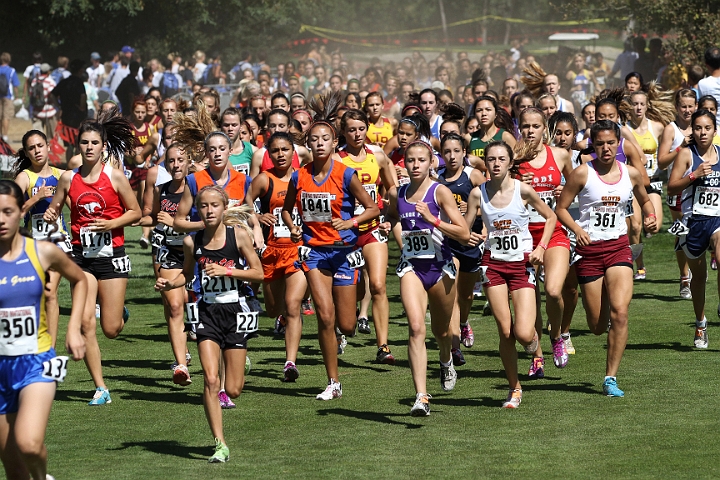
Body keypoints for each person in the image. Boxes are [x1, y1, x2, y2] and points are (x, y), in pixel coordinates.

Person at [282, 93, 379, 400]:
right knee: (324, 316)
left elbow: (372, 208)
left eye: (325, 138)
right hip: (315, 251)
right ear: (308, 144)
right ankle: (333, 382)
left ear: (334, 142)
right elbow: (286, 209)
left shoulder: (346, 174)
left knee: (347, 325)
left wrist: (350, 223)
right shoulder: (299, 176)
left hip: (345, 251)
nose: (320, 143)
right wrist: (294, 225)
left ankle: (344, 322)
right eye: (314, 139)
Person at [156, 186, 263, 463]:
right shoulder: (192, 242)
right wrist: (170, 283)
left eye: (214, 205)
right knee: (211, 379)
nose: (209, 210)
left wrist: (228, 270)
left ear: (224, 207)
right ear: (198, 210)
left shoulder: (237, 235)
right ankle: (220, 443)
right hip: (206, 314)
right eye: (203, 206)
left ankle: (240, 360)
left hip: (235, 312)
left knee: (234, 388)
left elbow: (258, 273)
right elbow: (187, 275)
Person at [43, 108, 141, 405]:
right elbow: (56, 209)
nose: (88, 148)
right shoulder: (68, 178)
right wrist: (51, 213)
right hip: (81, 258)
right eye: (84, 143)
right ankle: (101, 388)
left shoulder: (116, 177)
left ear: (103, 146)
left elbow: (136, 213)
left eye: (94, 143)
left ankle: (118, 311)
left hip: (111, 255)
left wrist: (112, 224)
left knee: (110, 329)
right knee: (86, 322)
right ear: (79, 146)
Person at [556, 120, 658, 397]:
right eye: (599, 143)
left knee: (621, 313)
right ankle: (595, 324)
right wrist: (577, 229)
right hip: (589, 253)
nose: (605, 148)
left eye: (611, 142)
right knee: (597, 326)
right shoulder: (581, 174)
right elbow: (561, 207)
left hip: (618, 249)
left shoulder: (631, 174)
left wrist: (650, 216)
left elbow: (645, 199)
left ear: (618, 143)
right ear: (593, 144)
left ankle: (610, 378)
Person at [0, 180, 87, 480]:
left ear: (19, 212)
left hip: (38, 360)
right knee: (12, 467)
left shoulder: (42, 252)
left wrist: (74, 328)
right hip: (1, 365)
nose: (1, 219)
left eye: (7, 211)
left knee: (29, 444)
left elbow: (81, 280)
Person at [464, 141, 556, 408]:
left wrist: (541, 247)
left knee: (524, 333)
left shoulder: (523, 190)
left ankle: (535, 348)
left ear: (510, 162)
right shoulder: (477, 193)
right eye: (490, 159)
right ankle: (514, 388)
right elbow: (466, 227)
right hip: (492, 265)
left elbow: (550, 217)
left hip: (521, 265)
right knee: (505, 332)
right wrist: (465, 234)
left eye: (501, 159)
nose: (495, 164)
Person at [380, 140, 469, 416]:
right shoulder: (398, 193)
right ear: (403, 164)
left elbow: (463, 233)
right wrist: (388, 224)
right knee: (416, 327)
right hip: (412, 268)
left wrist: (433, 220)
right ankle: (421, 396)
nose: (415, 165)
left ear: (432, 163)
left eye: (421, 160)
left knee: (442, 332)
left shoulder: (439, 191)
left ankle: (445, 361)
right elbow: (394, 216)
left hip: (441, 267)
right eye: (410, 160)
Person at [515, 107, 574, 375]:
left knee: (552, 291)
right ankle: (537, 357)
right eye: (525, 126)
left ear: (544, 129)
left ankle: (558, 337)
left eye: (535, 126)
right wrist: (514, 182)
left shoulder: (560, 155)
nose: (530, 131)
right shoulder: (513, 159)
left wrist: (566, 190)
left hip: (554, 233)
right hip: (523, 236)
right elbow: (498, 192)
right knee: (531, 300)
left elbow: (579, 187)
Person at [245, 132, 307, 381]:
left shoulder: (304, 177)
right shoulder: (264, 180)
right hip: (271, 252)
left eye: (285, 149)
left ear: (294, 152)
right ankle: (281, 317)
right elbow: (245, 202)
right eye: (275, 151)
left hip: (298, 250)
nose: (280, 154)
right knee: (273, 310)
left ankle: (290, 362)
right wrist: (258, 217)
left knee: (293, 305)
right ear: (268, 155)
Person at [338, 109, 398, 363]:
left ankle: (383, 346)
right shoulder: (336, 159)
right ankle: (344, 324)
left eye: (361, 128)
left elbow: (393, 187)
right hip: (347, 233)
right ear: (343, 132)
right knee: (355, 289)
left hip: (373, 229)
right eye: (351, 129)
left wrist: (389, 217)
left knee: (378, 285)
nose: (357, 134)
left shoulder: (378, 155)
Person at [138, 144, 193, 384]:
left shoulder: (198, 187)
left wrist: (177, 223)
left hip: (195, 252)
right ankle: (181, 365)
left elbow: (207, 222)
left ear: (189, 161)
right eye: (171, 161)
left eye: (180, 160)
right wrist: (127, 218)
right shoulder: (161, 190)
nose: (176, 165)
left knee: (194, 305)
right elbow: (152, 216)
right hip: (168, 250)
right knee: (174, 306)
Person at [667, 110, 720, 349]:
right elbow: (671, 188)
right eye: (698, 128)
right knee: (699, 278)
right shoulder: (687, 155)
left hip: (717, 220)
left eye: (707, 128)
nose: (702, 132)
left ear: (714, 131)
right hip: (693, 222)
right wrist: (694, 175)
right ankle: (701, 324)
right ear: (693, 131)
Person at [13, 130, 71, 347]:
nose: (37, 151)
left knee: (50, 292)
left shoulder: (62, 175)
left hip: (58, 240)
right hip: (34, 243)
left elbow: (76, 207)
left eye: (40, 146)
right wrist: (36, 197)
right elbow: (14, 211)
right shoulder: (24, 178)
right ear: (27, 153)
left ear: (48, 146)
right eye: (31, 148)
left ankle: (50, 349)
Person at [436, 133, 485, 364]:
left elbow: (491, 200)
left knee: (466, 296)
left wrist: (479, 221)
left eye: (456, 151)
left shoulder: (472, 175)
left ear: (464, 152)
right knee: (453, 295)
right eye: (447, 151)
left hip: (471, 242)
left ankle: (464, 323)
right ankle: (455, 348)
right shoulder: (436, 179)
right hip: (448, 243)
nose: (452, 156)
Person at [658, 89, 697, 299]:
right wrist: (680, 147)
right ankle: (684, 277)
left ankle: (698, 269)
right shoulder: (670, 129)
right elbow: (661, 161)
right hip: (678, 188)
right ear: (676, 107)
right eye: (683, 106)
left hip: (700, 188)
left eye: (691, 106)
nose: (687, 110)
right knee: (682, 232)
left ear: (696, 106)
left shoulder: (702, 127)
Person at [628, 90, 666, 280]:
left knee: (654, 226)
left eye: (642, 104)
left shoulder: (657, 127)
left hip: (653, 181)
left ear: (647, 105)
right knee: (635, 227)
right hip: (633, 184)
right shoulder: (624, 129)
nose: (639, 107)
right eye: (635, 104)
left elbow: (670, 144)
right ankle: (639, 266)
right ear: (630, 106)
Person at [50, 60, 88, 163]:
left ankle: (69, 165)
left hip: (66, 116)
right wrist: (82, 107)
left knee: (69, 144)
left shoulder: (64, 82)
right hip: (78, 116)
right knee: (79, 142)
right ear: (80, 70)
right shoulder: (79, 82)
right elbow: (83, 96)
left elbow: (52, 94)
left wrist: (58, 106)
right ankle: (78, 165)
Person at [467, 95, 516, 159]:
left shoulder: (506, 137)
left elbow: (516, 162)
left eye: (488, 109)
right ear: (475, 114)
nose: (484, 113)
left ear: (496, 114)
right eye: (479, 110)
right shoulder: (469, 138)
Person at [29, 64, 57, 140]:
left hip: (36, 112)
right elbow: (52, 95)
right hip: (49, 112)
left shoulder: (34, 81)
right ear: (48, 71)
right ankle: (50, 151)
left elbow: (31, 94)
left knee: (38, 137)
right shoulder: (50, 81)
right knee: (51, 137)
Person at [0, 53, 20, 143]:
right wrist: (17, 96)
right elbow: (15, 85)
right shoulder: (11, 70)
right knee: (6, 116)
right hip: (8, 96)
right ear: (9, 60)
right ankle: (5, 136)